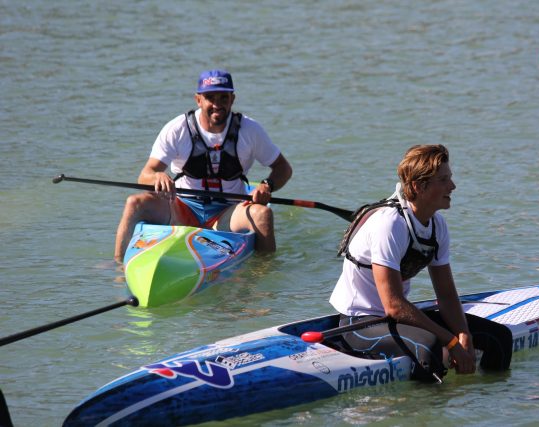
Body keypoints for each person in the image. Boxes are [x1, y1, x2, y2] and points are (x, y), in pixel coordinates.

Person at [330, 144, 509, 383]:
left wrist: (463, 334)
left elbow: (445, 295)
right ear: (419, 186)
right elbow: (393, 305)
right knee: (431, 350)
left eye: (450, 179)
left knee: (499, 337)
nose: (452, 187)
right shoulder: (389, 224)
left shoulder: (437, 226)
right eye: (444, 180)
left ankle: (487, 405)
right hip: (359, 322)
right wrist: (451, 340)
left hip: (396, 320)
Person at [114, 69, 292, 263]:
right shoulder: (177, 129)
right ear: (198, 100)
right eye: (210, 98)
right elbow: (146, 174)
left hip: (228, 211)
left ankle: (264, 273)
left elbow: (283, 168)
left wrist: (267, 185)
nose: (217, 105)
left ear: (232, 99)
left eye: (223, 98)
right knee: (134, 202)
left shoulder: (250, 130)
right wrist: (157, 176)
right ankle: (119, 266)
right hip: (182, 208)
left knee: (263, 214)